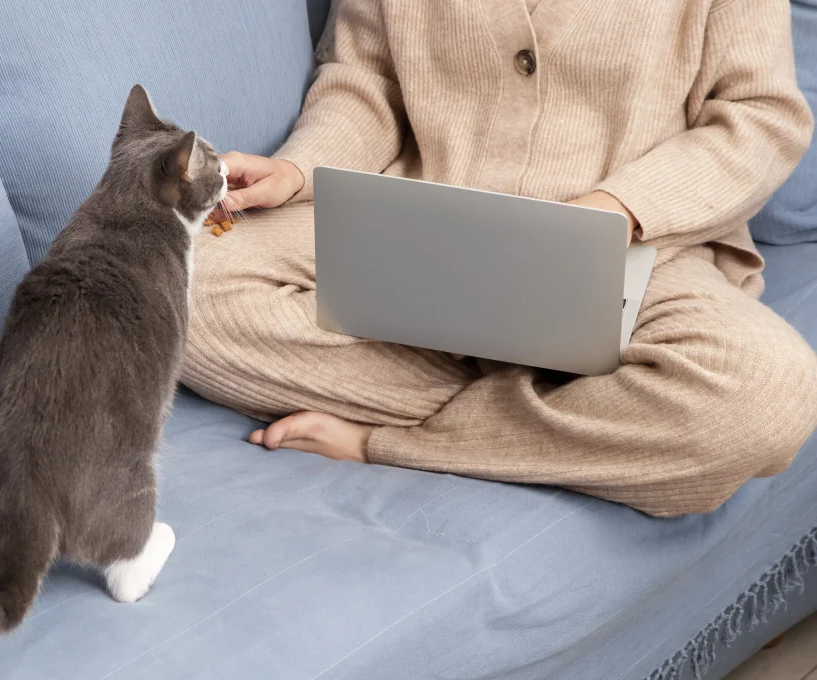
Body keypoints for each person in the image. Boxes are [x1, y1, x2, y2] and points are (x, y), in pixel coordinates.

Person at [183, 0, 817, 517]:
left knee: (767, 395)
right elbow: (366, 84)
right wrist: (298, 168)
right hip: (417, 221)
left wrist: (618, 209)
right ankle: (579, 409)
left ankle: (401, 440)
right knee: (181, 280)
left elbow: (760, 118)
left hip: (640, 248)